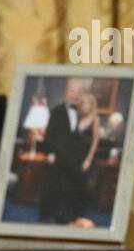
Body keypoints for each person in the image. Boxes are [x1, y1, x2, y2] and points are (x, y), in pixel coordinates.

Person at [37, 78, 96, 223]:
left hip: (75, 158)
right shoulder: (56, 111)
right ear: (66, 92)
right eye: (71, 91)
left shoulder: (82, 113)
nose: (74, 95)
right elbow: (50, 135)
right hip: (58, 156)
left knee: (72, 188)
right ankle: (46, 216)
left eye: (78, 92)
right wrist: (50, 153)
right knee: (53, 186)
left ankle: (68, 216)